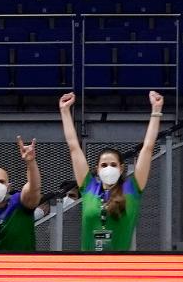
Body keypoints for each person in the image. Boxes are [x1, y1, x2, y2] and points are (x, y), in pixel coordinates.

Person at [59, 91, 163, 252]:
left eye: (113, 164)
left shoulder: (132, 189)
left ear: (121, 168)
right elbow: (73, 147)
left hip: (118, 268)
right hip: (87, 266)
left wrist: (156, 111)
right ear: (97, 169)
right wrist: (65, 111)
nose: (109, 168)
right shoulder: (88, 187)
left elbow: (148, 148)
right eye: (104, 165)